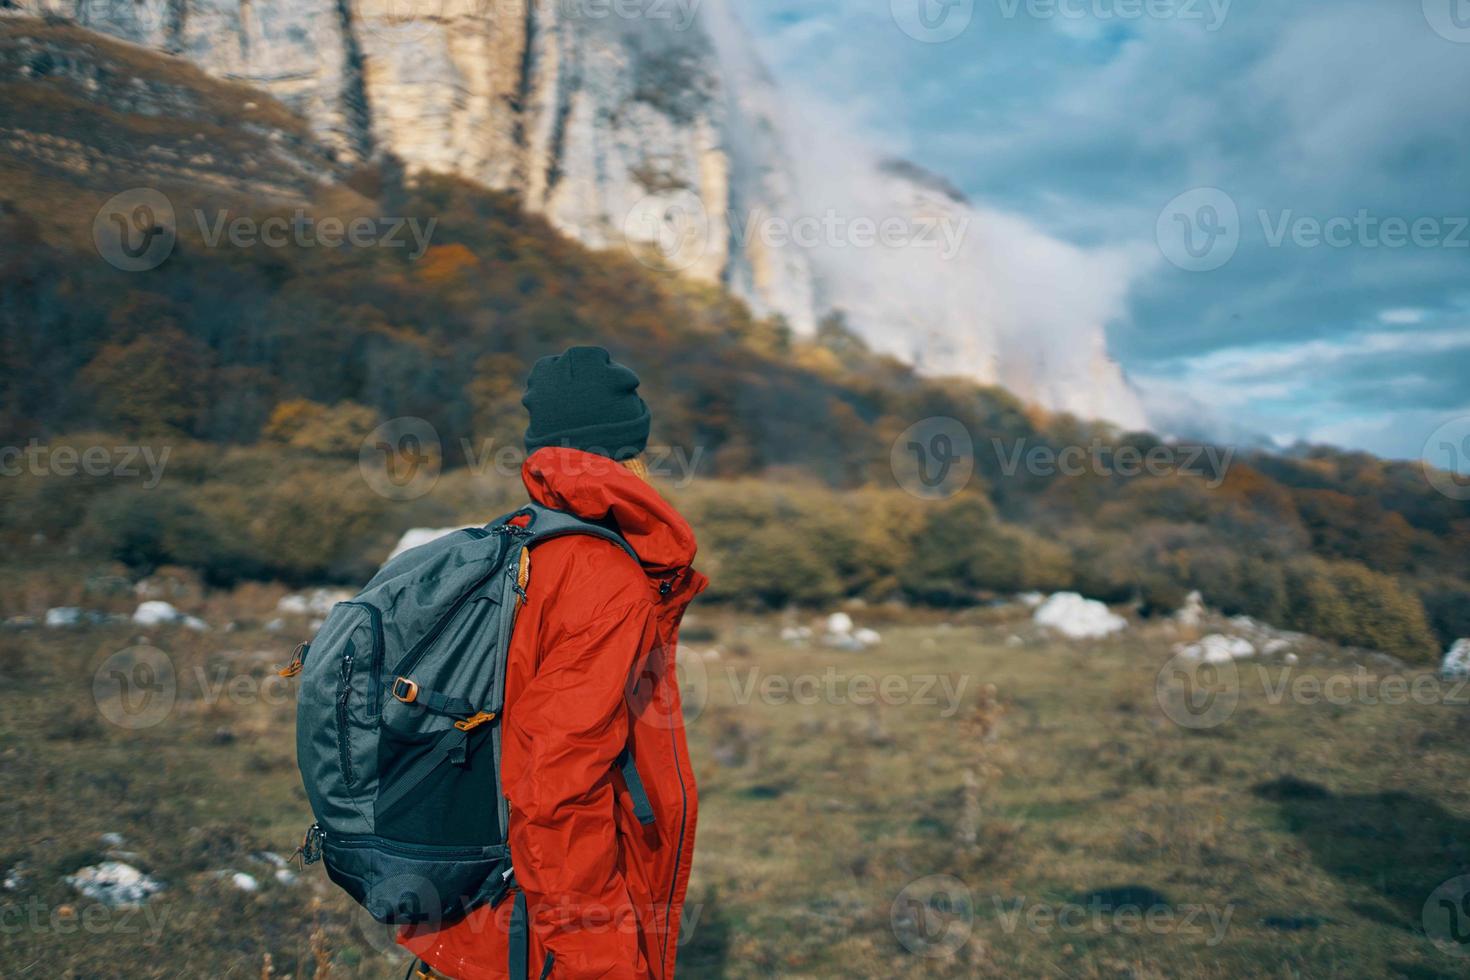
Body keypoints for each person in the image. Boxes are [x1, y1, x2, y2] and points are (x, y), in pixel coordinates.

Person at [399, 347, 707, 980]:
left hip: (470, 909)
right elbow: (558, 788)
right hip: (537, 934)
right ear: (632, 449)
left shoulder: (516, 539)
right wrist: (597, 960)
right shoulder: (605, 576)